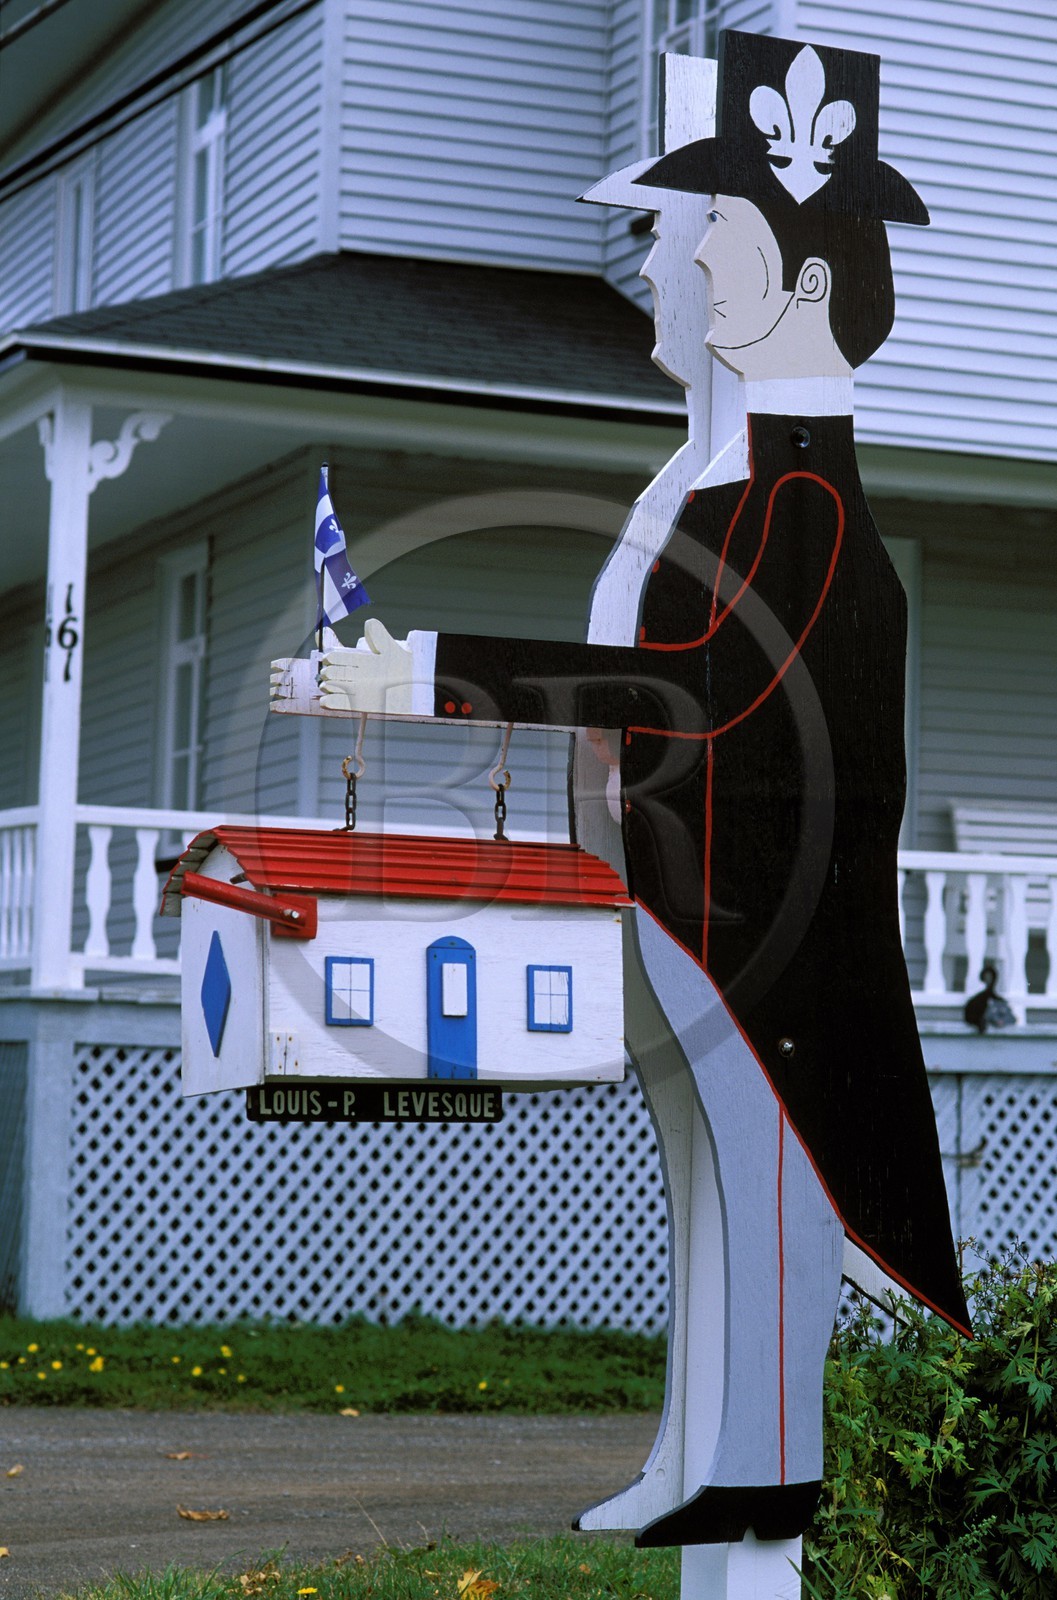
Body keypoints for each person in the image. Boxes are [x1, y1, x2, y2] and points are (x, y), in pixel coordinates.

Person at [312, 30, 971, 1544]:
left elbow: (692, 685)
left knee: (765, 1178)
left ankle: (764, 1465)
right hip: (681, 905)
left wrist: (428, 676)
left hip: (762, 938)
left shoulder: (798, 499)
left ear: (803, 281)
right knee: (706, 1178)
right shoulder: (715, 481)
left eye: (708, 234)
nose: (675, 267)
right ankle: (700, 1453)